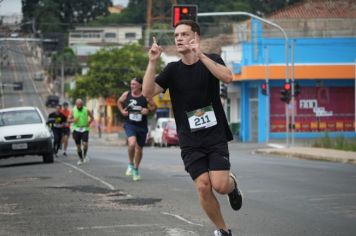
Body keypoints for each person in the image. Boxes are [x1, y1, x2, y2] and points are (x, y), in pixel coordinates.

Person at [142, 20, 242, 236]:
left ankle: (234, 188)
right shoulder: (172, 70)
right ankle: (223, 231)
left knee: (220, 185)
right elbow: (148, 93)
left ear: (195, 37)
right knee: (203, 186)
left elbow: (228, 77)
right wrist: (152, 62)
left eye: (184, 34)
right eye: (176, 35)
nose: (178, 38)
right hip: (190, 139)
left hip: (215, 135)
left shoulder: (212, 60)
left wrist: (201, 56)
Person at [117, 77, 157, 181]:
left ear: (140, 85)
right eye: (131, 84)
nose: (132, 86)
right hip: (130, 124)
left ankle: (136, 169)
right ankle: (130, 164)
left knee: (139, 149)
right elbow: (119, 102)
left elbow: (154, 107)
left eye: (134, 84)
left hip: (142, 126)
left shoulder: (145, 96)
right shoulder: (127, 94)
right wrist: (122, 111)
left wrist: (147, 110)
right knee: (132, 143)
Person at [68, 98, 94, 165]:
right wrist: (73, 120)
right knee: (78, 146)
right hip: (76, 129)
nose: (79, 106)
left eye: (81, 105)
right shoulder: (73, 110)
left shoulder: (86, 109)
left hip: (85, 128)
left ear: (82, 104)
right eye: (78, 105)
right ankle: (81, 159)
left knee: (85, 144)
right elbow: (68, 120)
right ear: (76, 104)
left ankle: (85, 155)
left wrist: (89, 122)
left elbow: (92, 117)